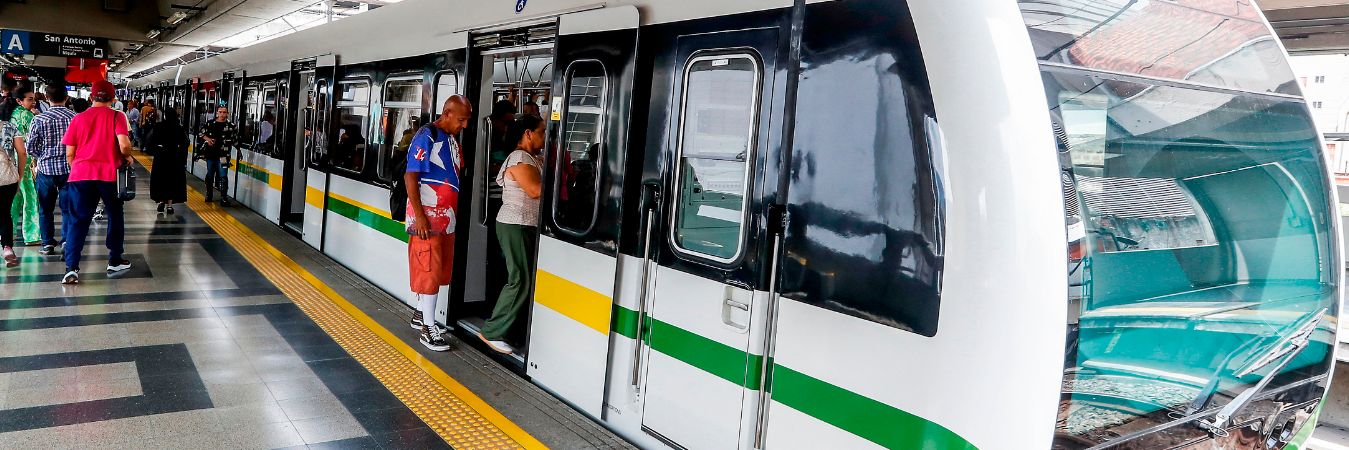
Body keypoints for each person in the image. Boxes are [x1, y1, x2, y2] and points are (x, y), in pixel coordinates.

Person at [405, 95, 472, 352]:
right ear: (447, 113)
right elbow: (410, 176)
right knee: (429, 269)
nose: (465, 125)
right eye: (461, 119)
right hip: (428, 217)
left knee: (438, 269)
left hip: (446, 217)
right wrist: (420, 216)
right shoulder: (427, 135)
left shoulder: (451, 139)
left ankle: (421, 314)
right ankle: (428, 328)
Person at [478, 115, 545, 354]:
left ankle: (511, 331)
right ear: (528, 134)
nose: (545, 136)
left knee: (525, 278)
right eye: (542, 131)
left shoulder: (532, 158)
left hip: (526, 224)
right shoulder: (519, 158)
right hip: (517, 224)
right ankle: (492, 332)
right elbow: (535, 190)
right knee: (520, 279)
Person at [59, 80, 134, 284]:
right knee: (115, 216)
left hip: (81, 175)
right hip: (110, 176)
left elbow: (70, 153)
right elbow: (124, 145)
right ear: (113, 98)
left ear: (91, 97)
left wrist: (78, 168)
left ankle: (71, 267)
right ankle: (115, 260)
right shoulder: (117, 116)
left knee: (77, 220)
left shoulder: (78, 118)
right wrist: (127, 155)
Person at [24, 84, 77, 255]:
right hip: (70, 170)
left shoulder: (38, 119)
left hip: (45, 171)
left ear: (46, 98)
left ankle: (47, 244)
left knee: (45, 209)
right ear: (67, 98)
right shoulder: (75, 118)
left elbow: (30, 148)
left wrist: (43, 156)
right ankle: (66, 241)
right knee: (68, 209)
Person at [5, 86, 39, 246]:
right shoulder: (27, 115)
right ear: (19, 101)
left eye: (34, 99)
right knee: (31, 197)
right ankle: (32, 235)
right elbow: (33, 140)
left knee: (15, 198)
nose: (34, 102)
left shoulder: (11, 114)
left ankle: (8, 232)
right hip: (26, 160)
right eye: (30, 99)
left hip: (11, 160)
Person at [147, 109, 188, 214]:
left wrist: (155, 151)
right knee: (172, 180)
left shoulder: (158, 126)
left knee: (160, 179)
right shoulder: (179, 128)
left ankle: (161, 201)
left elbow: (151, 140)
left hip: (161, 156)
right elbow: (186, 142)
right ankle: (169, 206)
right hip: (175, 157)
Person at [198, 106, 237, 205]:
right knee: (210, 175)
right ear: (217, 113)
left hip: (224, 154)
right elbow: (201, 133)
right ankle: (209, 194)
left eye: (224, 112)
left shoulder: (231, 126)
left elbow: (235, 139)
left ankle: (223, 197)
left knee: (223, 176)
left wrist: (239, 150)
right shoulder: (210, 123)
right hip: (211, 153)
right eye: (220, 112)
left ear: (227, 113)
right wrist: (208, 139)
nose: (222, 114)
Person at [488, 100, 516, 165]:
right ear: (494, 119)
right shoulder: (484, 139)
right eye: (506, 122)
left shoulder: (508, 139)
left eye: (512, 123)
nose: (508, 126)